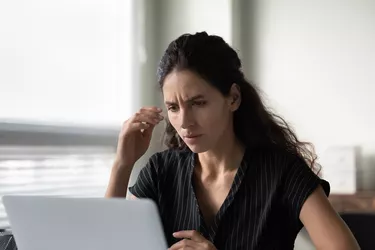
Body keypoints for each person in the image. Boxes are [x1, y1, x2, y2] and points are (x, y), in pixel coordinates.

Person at [105, 32, 359, 249]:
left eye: (198, 103)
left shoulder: (283, 173)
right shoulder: (160, 172)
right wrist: (122, 165)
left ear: (233, 98)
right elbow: (108, 243)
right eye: (173, 107)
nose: (184, 122)